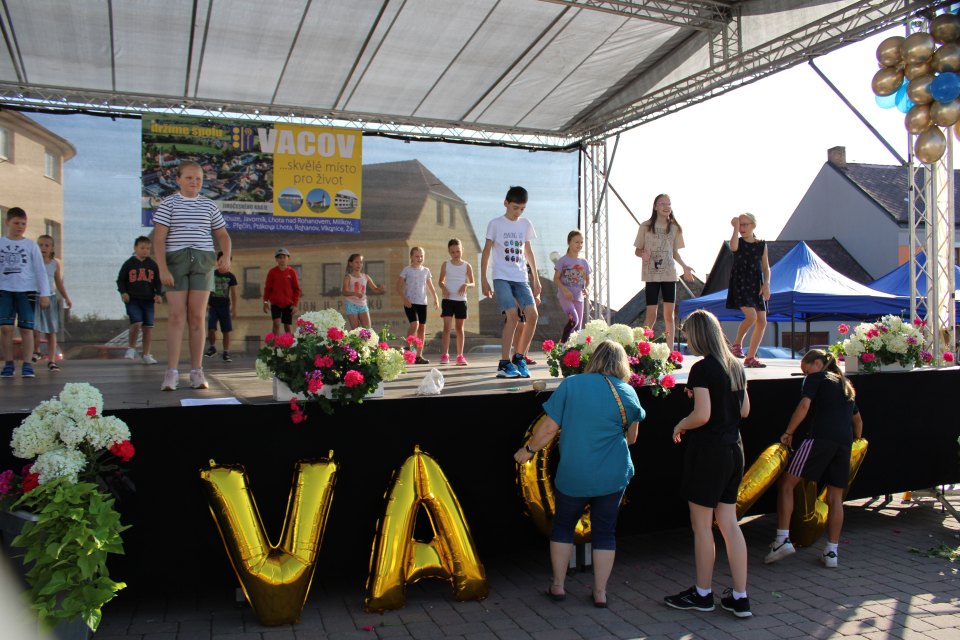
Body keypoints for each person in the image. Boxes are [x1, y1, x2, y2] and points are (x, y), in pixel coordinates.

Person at [513, 340, 644, 608]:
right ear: (622, 364)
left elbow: (548, 428)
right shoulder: (627, 392)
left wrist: (528, 449)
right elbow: (631, 439)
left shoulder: (572, 385)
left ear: (594, 359)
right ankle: (600, 592)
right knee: (605, 532)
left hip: (575, 472)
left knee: (563, 526)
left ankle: (558, 586)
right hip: (613, 474)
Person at [665, 309, 752, 618]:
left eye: (688, 335)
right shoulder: (735, 365)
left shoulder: (702, 369)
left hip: (709, 452)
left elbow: (702, 415)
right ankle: (740, 597)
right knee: (729, 523)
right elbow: (744, 410)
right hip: (734, 449)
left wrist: (680, 424)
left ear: (699, 335)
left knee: (702, 526)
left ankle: (703, 593)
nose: (687, 340)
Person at [764, 349, 863, 569]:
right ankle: (832, 551)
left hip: (820, 439)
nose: (804, 375)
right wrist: (856, 439)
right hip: (844, 443)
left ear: (817, 363)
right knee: (835, 498)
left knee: (786, 484)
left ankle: (782, 539)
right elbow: (857, 420)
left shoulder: (816, 378)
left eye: (805, 370)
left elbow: (804, 405)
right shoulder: (845, 384)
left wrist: (788, 432)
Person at [153, 160, 232, 391]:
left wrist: (226, 256)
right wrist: (162, 269)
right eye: (189, 178)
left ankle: (197, 371)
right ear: (178, 179)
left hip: (203, 261)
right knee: (177, 315)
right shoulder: (168, 204)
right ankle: (171, 372)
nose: (194, 182)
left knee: (197, 317)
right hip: (176, 261)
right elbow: (159, 239)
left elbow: (223, 234)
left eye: (198, 179)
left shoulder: (209, 205)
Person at [481, 186, 541, 379]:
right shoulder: (495, 224)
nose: (518, 212)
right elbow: (486, 252)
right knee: (513, 316)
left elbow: (528, 251)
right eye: (515, 208)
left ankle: (520, 357)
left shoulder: (525, 224)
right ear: (506, 203)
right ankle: (504, 363)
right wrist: (484, 279)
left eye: (522, 209)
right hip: (501, 277)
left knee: (532, 315)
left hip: (521, 278)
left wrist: (536, 278)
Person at [633, 194, 694, 352]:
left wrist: (685, 267)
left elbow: (675, 253)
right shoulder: (645, 226)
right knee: (651, 314)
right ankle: (642, 350)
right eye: (662, 203)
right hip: (651, 274)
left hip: (669, 274)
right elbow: (637, 250)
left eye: (669, 203)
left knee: (669, 315)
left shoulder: (675, 227)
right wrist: (643, 254)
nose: (666, 206)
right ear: (655, 206)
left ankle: (670, 352)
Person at [0, 208, 50, 378]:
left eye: (23, 223)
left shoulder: (30, 245)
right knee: (5, 328)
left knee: (27, 329)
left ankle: (27, 364)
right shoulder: (1, 243)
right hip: (4, 290)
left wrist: (44, 293)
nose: (20, 226)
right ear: (7, 222)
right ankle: (8, 363)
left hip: (26, 291)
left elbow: (40, 270)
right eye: (16, 223)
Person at [726, 213, 771, 368]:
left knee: (762, 320)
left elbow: (766, 267)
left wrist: (766, 284)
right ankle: (737, 344)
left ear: (753, 225)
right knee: (751, 316)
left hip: (756, 283)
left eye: (745, 224)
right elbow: (733, 247)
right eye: (741, 225)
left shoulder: (761, 244)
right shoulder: (738, 242)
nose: (742, 228)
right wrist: (734, 227)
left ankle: (750, 357)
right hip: (740, 282)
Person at [117, 236, 163, 365]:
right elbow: (120, 280)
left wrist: (158, 294)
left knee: (148, 328)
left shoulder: (152, 265)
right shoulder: (129, 264)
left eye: (147, 248)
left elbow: (158, 281)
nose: (145, 251)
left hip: (148, 301)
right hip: (133, 300)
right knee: (136, 323)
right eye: (142, 248)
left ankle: (146, 354)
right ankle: (131, 348)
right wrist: (123, 292)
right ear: (135, 248)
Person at [32, 234, 72, 371]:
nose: (43, 248)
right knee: (34, 327)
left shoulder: (54, 264)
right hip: (35, 296)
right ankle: (36, 350)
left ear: (52, 248)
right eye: (40, 245)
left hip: (50, 297)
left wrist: (66, 297)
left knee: (51, 330)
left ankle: (52, 360)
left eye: (46, 245)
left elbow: (58, 283)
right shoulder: (33, 262)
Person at [397, 246, 439, 364]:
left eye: (421, 256)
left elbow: (430, 286)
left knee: (422, 328)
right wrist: (405, 299)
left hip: (422, 303)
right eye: (417, 256)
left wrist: (435, 298)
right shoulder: (407, 270)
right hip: (410, 302)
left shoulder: (426, 271)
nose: (419, 258)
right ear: (411, 257)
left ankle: (419, 355)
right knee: (414, 324)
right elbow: (398, 287)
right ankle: (407, 346)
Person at [438, 239, 474, 365]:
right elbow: (440, 281)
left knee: (459, 328)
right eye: (453, 252)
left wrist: (466, 284)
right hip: (448, 300)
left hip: (461, 301)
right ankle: (445, 355)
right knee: (447, 327)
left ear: (462, 250)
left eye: (458, 251)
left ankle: (460, 356)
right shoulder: (446, 264)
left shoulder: (467, 265)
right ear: (449, 252)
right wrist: (444, 288)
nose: (455, 254)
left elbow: (473, 283)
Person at [554, 230, 591, 344]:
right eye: (576, 242)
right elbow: (556, 279)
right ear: (569, 242)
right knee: (574, 319)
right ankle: (562, 344)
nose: (579, 245)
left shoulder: (584, 262)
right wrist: (565, 290)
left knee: (578, 329)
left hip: (579, 298)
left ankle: (572, 350)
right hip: (565, 297)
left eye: (581, 242)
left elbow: (588, 280)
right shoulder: (562, 261)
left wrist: (586, 288)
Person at [205, 251, 238, 362]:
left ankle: (226, 352)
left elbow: (234, 293)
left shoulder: (231, 277)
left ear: (229, 263)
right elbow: (207, 290)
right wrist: (206, 304)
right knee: (211, 328)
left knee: (226, 330)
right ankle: (212, 347)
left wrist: (234, 308)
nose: (222, 263)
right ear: (217, 261)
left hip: (224, 307)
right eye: (220, 261)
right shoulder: (212, 274)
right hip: (213, 306)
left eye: (225, 261)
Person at [342, 253, 386, 329]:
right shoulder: (348, 277)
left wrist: (380, 289)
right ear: (350, 263)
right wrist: (355, 293)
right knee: (356, 330)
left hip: (363, 305)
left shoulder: (365, 276)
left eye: (361, 262)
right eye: (356, 262)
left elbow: (375, 289)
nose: (359, 264)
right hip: (351, 305)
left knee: (367, 329)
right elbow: (344, 292)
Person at [263, 248, 301, 336]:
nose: (282, 260)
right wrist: (265, 302)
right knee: (276, 323)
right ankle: (275, 343)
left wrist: (295, 304)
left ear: (288, 258)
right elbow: (267, 288)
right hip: (275, 303)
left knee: (287, 326)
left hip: (288, 304)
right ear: (276, 259)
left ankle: (289, 343)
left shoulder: (292, 272)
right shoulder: (272, 272)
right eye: (280, 258)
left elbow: (297, 289)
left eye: (284, 257)